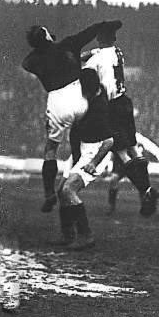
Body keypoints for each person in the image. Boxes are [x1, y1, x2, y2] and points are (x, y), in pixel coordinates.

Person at [22, 20, 123, 213]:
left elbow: (27, 63)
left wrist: (42, 48)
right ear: (47, 37)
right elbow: (90, 31)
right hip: (79, 98)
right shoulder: (67, 44)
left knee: (51, 150)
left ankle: (49, 194)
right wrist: (105, 24)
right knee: (82, 126)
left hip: (57, 102)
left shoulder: (33, 60)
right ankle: (81, 163)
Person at [81, 25, 159, 217]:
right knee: (133, 148)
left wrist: (87, 53)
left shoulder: (97, 58)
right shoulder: (117, 52)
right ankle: (147, 188)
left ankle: (147, 191)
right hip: (125, 102)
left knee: (122, 152)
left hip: (113, 106)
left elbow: (81, 62)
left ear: (99, 39)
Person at [54, 68, 114, 251]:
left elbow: (109, 141)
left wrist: (93, 163)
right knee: (61, 190)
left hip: (95, 151)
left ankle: (86, 235)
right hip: (81, 149)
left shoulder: (99, 109)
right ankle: (68, 235)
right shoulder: (90, 96)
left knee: (69, 190)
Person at [105, 131, 159, 216]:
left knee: (141, 186)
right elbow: (108, 150)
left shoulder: (135, 136)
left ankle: (146, 207)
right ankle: (112, 206)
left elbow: (151, 147)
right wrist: (105, 166)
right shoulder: (114, 135)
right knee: (114, 180)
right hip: (120, 163)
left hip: (135, 162)